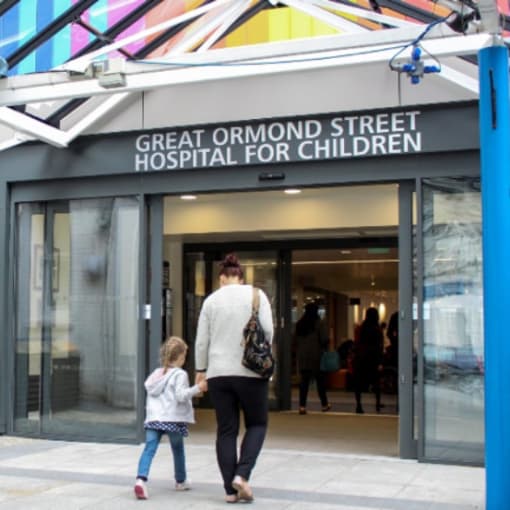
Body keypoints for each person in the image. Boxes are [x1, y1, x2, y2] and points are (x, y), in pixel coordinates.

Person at [194, 253, 274, 504]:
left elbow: (202, 340)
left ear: (222, 278)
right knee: (257, 424)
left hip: (219, 373)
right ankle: (242, 475)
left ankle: (230, 492)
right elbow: (269, 332)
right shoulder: (256, 295)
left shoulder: (211, 301)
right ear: (240, 277)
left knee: (226, 430)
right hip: (250, 372)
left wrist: (201, 368)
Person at [134, 336, 207, 500]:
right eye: (185, 356)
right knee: (177, 449)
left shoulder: (156, 374)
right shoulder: (180, 375)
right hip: (171, 419)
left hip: (154, 419)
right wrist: (198, 388)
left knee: (149, 449)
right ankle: (180, 481)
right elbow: (181, 396)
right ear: (181, 356)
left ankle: (140, 479)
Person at [294, 302, 331, 415]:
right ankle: (324, 405)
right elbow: (324, 339)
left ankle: (302, 406)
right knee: (320, 381)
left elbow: (295, 340)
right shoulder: (319, 323)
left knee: (304, 382)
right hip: (316, 356)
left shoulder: (300, 324)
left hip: (303, 356)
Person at [353, 307, 384, 414]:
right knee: (376, 382)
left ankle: (358, 405)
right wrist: (380, 361)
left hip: (361, 358)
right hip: (373, 358)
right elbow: (380, 346)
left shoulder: (361, 328)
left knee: (359, 383)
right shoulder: (377, 329)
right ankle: (377, 404)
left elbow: (356, 343)